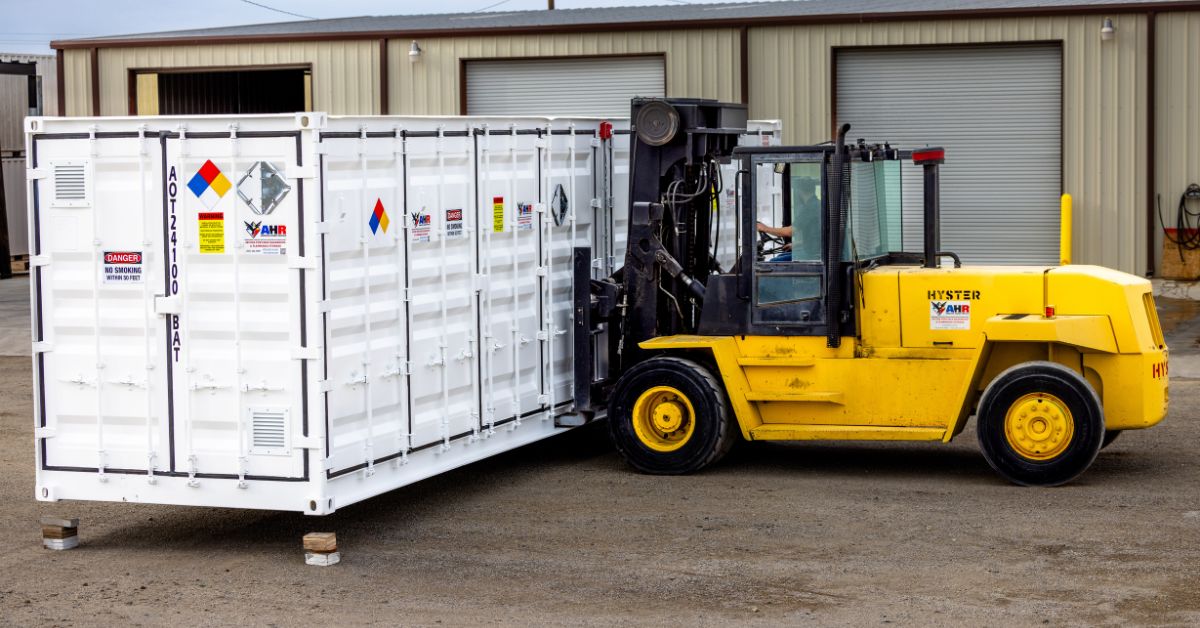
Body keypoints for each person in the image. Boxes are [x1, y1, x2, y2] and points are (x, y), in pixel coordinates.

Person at [756, 175, 820, 262]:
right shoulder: (815, 204)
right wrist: (796, 244)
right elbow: (816, 237)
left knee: (774, 262)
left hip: (812, 254)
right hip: (813, 250)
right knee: (781, 256)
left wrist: (764, 228)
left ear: (800, 191)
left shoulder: (810, 208)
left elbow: (789, 232)